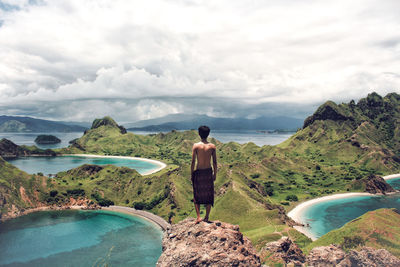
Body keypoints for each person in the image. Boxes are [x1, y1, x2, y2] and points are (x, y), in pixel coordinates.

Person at [191, 125, 217, 224]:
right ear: (208, 134)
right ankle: (206, 217)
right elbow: (214, 162)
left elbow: (193, 161)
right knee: (209, 194)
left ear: (199, 133)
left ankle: (198, 217)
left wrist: (191, 173)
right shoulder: (212, 146)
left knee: (196, 194)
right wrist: (215, 174)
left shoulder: (196, 146)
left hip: (199, 172)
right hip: (208, 172)